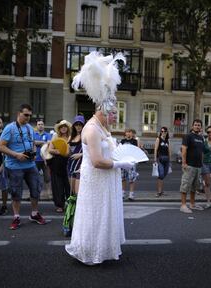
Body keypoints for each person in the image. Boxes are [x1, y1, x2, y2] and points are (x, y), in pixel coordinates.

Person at [65, 51, 134, 265]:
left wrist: (120, 154)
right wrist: (120, 163)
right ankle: (90, 249)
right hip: (96, 179)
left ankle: (103, 247)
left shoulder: (103, 128)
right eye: (113, 114)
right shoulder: (93, 129)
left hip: (106, 179)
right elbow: (96, 160)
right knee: (95, 215)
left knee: (105, 214)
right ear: (103, 111)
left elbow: (107, 152)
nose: (115, 118)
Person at [0, 104, 47, 230]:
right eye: (26, 115)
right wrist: (16, 155)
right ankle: (16, 217)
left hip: (30, 164)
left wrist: (34, 152)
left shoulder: (30, 127)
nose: (28, 117)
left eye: (30, 115)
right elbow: (0, 146)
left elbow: (32, 143)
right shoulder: (10, 128)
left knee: (35, 190)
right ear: (18, 113)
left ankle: (34, 214)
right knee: (16, 193)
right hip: (15, 166)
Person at [179, 119, 205, 213]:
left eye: (199, 125)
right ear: (192, 126)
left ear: (201, 127)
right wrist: (184, 162)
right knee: (185, 185)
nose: (197, 126)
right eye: (196, 125)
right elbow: (184, 150)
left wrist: (201, 164)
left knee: (195, 187)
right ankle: (183, 205)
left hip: (198, 166)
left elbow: (202, 152)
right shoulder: (188, 136)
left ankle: (192, 204)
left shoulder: (201, 138)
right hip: (189, 165)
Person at [47, 120, 71, 213]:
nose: (63, 128)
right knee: (58, 185)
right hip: (57, 163)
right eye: (61, 127)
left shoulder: (70, 137)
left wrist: (67, 153)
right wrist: (57, 151)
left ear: (67, 128)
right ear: (59, 129)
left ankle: (69, 203)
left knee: (68, 184)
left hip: (68, 163)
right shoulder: (55, 137)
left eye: (65, 126)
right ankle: (59, 205)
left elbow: (71, 151)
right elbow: (50, 149)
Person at [33, 119, 52, 193]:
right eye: (39, 124)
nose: (40, 126)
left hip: (45, 159)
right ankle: (35, 193)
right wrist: (43, 142)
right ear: (36, 126)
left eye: (42, 124)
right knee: (34, 177)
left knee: (47, 177)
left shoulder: (48, 135)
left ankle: (48, 193)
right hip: (35, 159)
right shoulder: (33, 134)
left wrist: (38, 143)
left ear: (44, 126)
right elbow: (33, 142)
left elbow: (48, 144)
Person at [68, 115, 85, 195]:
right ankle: (72, 207)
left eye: (80, 124)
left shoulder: (85, 136)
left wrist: (81, 154)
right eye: (76, 124)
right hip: (70, 163)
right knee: (71, 190)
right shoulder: (71, 136)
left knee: (78, 191)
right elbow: (67, 150)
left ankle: (78, 207)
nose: (78, 126)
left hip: (80, 163)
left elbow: (90, 150)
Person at [121, 128, 139, 201]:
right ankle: (123, 193)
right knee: (123, 178)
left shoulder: (134, 141)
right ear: (125, 133)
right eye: (127, 132)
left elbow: (136, 150)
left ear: (132, 133)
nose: (128, 133)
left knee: (132, 178)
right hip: (123, 161)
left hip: (131, 161)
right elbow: (120, 150)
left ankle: (131, 194)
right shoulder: (122, 141)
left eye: (130, 132)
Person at [154, 126, 170, 197]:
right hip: (160, 159)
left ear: (167, 132)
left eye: (164, 131)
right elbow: (155, 149)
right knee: (161, 175)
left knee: (164, 175)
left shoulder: (167, 140)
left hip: (166, 159)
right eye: (162, 131)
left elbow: (169, 150)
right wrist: (155, 159)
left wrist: (170, 160)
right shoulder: (158, 139)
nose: (163, 132)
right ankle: (159, 191)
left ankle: (161, 191)